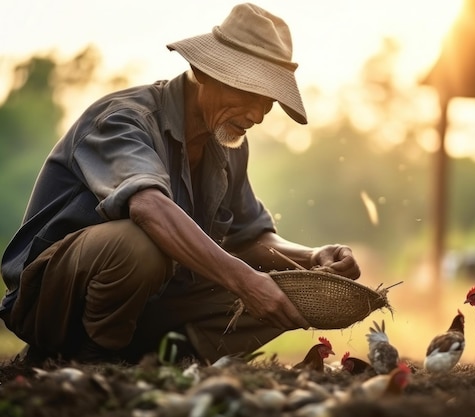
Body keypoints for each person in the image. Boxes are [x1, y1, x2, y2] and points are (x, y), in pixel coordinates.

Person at [0, 3, 361, 364]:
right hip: (55, 305)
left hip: (155, 304)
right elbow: (148, 208)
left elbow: (251, 237)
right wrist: (246, 283)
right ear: (203, 71)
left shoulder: (229, 142)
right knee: (140, 244)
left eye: (267, 101)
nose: (257, 115)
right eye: (249, 94)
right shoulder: (125, 120)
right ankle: (90, 360)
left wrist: (312, 257)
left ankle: (164, 358)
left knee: (290, 286)